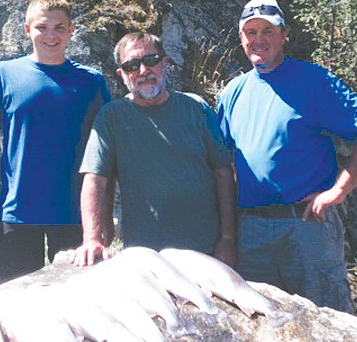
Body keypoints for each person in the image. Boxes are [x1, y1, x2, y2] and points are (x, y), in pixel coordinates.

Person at [217, 0, 357, 313]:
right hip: (251, 232)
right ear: (241, 39)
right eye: (251, 32)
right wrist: (227, 235)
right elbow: (222, 167)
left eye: (268, 31)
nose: (259, 40)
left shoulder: (315, 81)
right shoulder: (232, 93)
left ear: (284, 35)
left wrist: (338, 191)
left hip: (307, 226)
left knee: (332, 322)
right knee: (261, 326)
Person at [0, 0, 110, 286]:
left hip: (75, 216)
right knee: (12, 307)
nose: (51, 35)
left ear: (71, 31)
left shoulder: (92, 82)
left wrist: (103, 218)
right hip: (17, 213)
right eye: (42, 27)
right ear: (27, 30)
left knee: (79, 307)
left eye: (60, 28)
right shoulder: (2, 75)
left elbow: (107, 152)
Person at [71, 32, 237, 267]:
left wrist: (228, 239)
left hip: (206, 251)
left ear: (165, 63)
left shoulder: (196, 108)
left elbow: (224, 173)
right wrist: (92, 239)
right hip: (145, 257)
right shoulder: (112, 117)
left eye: (151, 60)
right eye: (131, 65)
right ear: (121, 74)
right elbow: (95, 180)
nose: (143, 71)